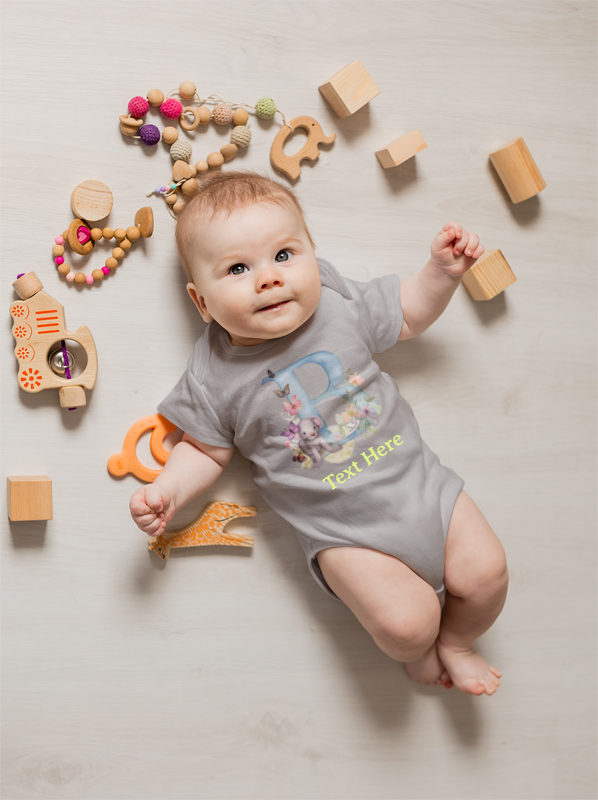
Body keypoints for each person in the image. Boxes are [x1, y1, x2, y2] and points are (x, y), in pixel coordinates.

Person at [130, 171, 508, 696]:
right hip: (346, 535)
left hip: (424, 489)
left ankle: (459, 642)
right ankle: (422, 647)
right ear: (201, 303)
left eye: (284, 255)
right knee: (405, 625)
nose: (268, 278)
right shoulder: (213, 372)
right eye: (238, 268)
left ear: (312, 254)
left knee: (488, 574)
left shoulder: (335, 301)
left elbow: (407, 314)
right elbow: (205, 451)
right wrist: (167, 490)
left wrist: (441, 273)